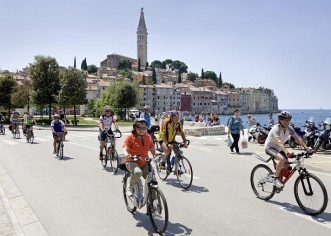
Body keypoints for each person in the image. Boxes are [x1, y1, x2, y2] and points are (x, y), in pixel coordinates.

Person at [265, 111, 311, 188]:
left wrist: (306, 148)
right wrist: (287, 152)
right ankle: (276, 179)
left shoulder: (289, 128)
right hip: (270, 147)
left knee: (287, 166)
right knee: (282, 159)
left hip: (279, 149)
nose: (287, 122)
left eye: (288, 120)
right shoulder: (276, 128)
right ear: (280, 120)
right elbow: (279, 142)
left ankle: (279, 176)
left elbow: (298, 139)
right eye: (285, 120)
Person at [123, 118, 157, 196]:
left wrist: (161, 154)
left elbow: (153, 151)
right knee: (137, 172)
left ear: (146, 128)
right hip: (132, 161)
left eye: (143, 128)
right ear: (135, 128)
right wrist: (126, 154)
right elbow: (125, 149)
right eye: (139, 127)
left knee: (152, 181)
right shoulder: (130, 137)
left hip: (144, 163)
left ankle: (154, 204)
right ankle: (129, 187)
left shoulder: (148, 138)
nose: (141, 130)